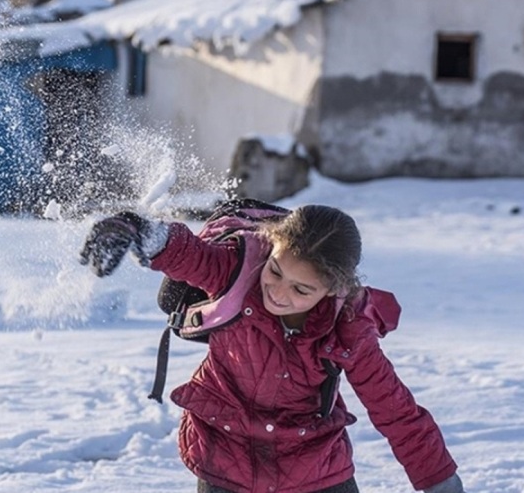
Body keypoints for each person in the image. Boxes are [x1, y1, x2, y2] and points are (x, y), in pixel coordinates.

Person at [78, 206, 465, 493]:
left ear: (334, 290)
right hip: (224, 457)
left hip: (314, 468)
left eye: (301, 290)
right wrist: (135, 228)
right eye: (276, 271)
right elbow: (188, 255)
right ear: (271, 247)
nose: (278, 293)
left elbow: (395, 410)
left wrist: (439, 482)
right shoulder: (236, 273)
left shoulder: (347, 331)